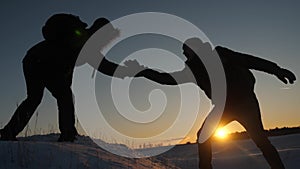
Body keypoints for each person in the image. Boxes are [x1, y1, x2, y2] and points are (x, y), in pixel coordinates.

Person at [129, 37, 296, 169]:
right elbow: (167, 79)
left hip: (246, 103)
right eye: (184, 53)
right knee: (203, 136)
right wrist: (144, 72)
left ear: (195, 49)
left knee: (261, 141)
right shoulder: (192, 71)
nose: (184, 55)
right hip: (224, 108)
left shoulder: (220, 54)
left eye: (186, 51)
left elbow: (249, 60)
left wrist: (276, 69)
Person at [0, 13, 139, 142]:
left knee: (36, 98)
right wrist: (130, 71)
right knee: (61, 96)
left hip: (32, 59)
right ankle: (68, 135)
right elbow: (104, 67)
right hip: (40, 61)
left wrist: (131, 71)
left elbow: (103, 67)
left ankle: (9, 133)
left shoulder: (86, 42)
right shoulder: (84, 41)